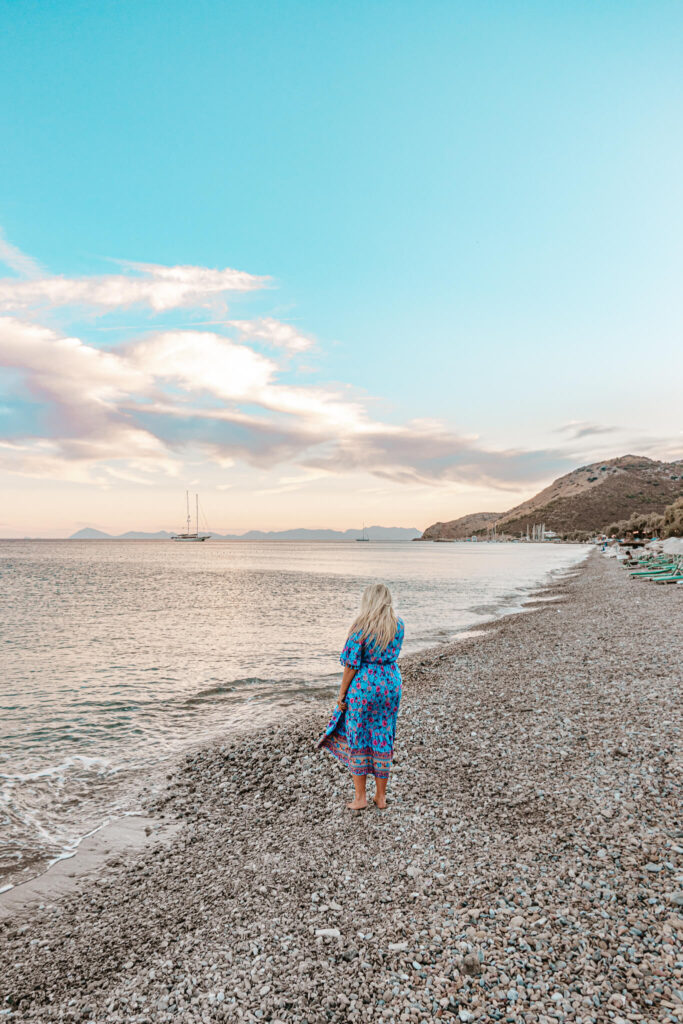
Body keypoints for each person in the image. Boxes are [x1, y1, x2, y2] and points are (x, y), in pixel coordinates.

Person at [317, 583, 404, 810]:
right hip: (390, 684)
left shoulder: (360, 626)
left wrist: (342, 693)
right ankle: (381, 797)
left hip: (365, 688)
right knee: (383, 735)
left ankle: (360, 798)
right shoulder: (398, 625)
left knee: (359, 738)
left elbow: (351, 665)